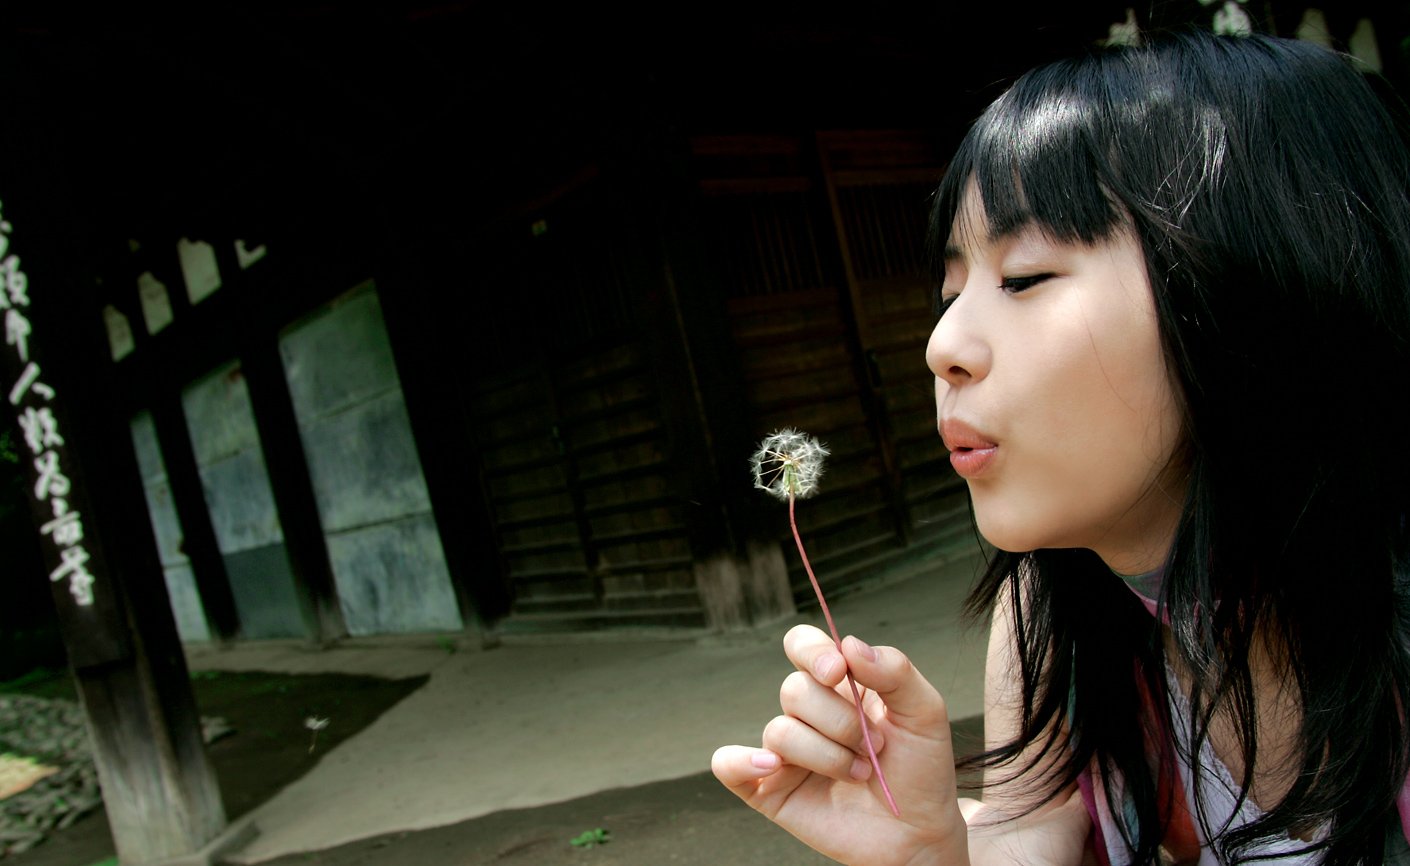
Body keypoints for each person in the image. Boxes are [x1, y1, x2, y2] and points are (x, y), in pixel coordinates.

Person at [712, 27, 1410, 866]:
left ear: (1258, 284)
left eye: (1024, 278)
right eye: (951, 290)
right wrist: (934, 851)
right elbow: (1024, 828)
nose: (942, 346)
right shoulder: (1047, 609)